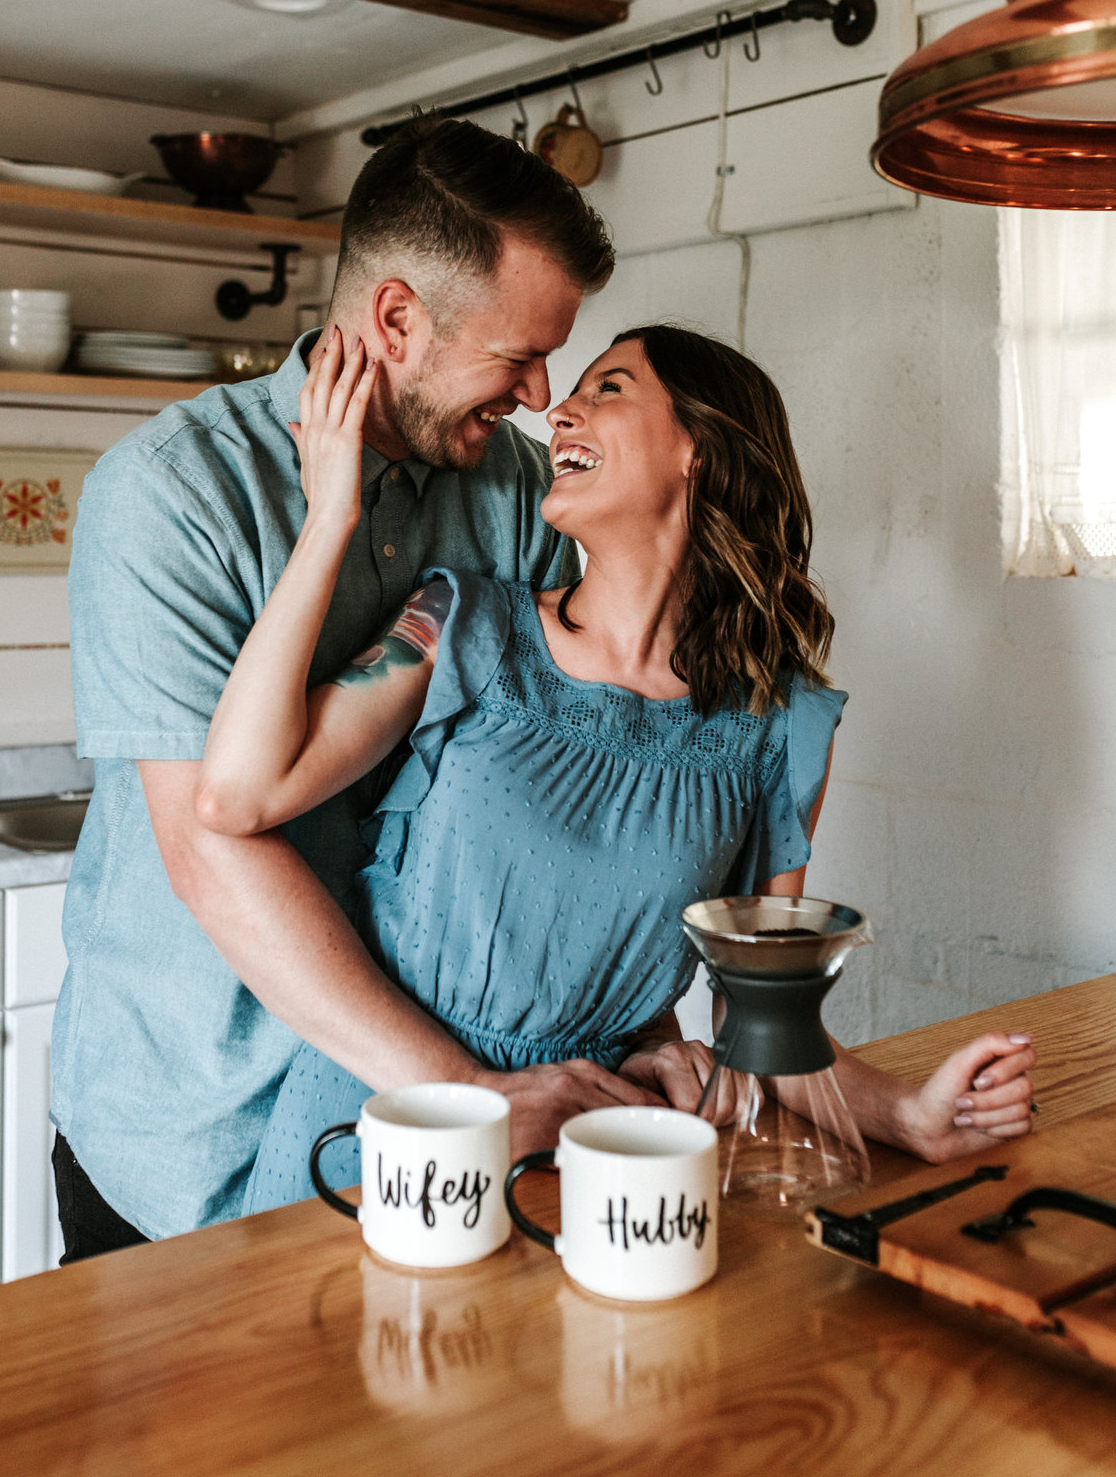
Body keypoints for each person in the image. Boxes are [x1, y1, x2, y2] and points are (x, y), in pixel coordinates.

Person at [197, 324, 1036, 1212]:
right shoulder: (461, 623)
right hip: (384, 1119)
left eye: (609, 389)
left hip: (597, 1145)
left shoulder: (777, 727)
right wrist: (332, 516)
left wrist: (912, 1114)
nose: (560, 411)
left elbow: (760, 1025)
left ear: (698, 451)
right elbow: (239, 792)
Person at [52, 116, 665, 1259]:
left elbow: (550, 791)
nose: (539, 394)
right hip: (184, 1136)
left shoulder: (521, 495)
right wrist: (469, 1095)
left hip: (424, 1135)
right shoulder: (170, 495)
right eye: (516, 354)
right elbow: (212, 849)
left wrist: (643, 1029)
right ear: (395, 320)